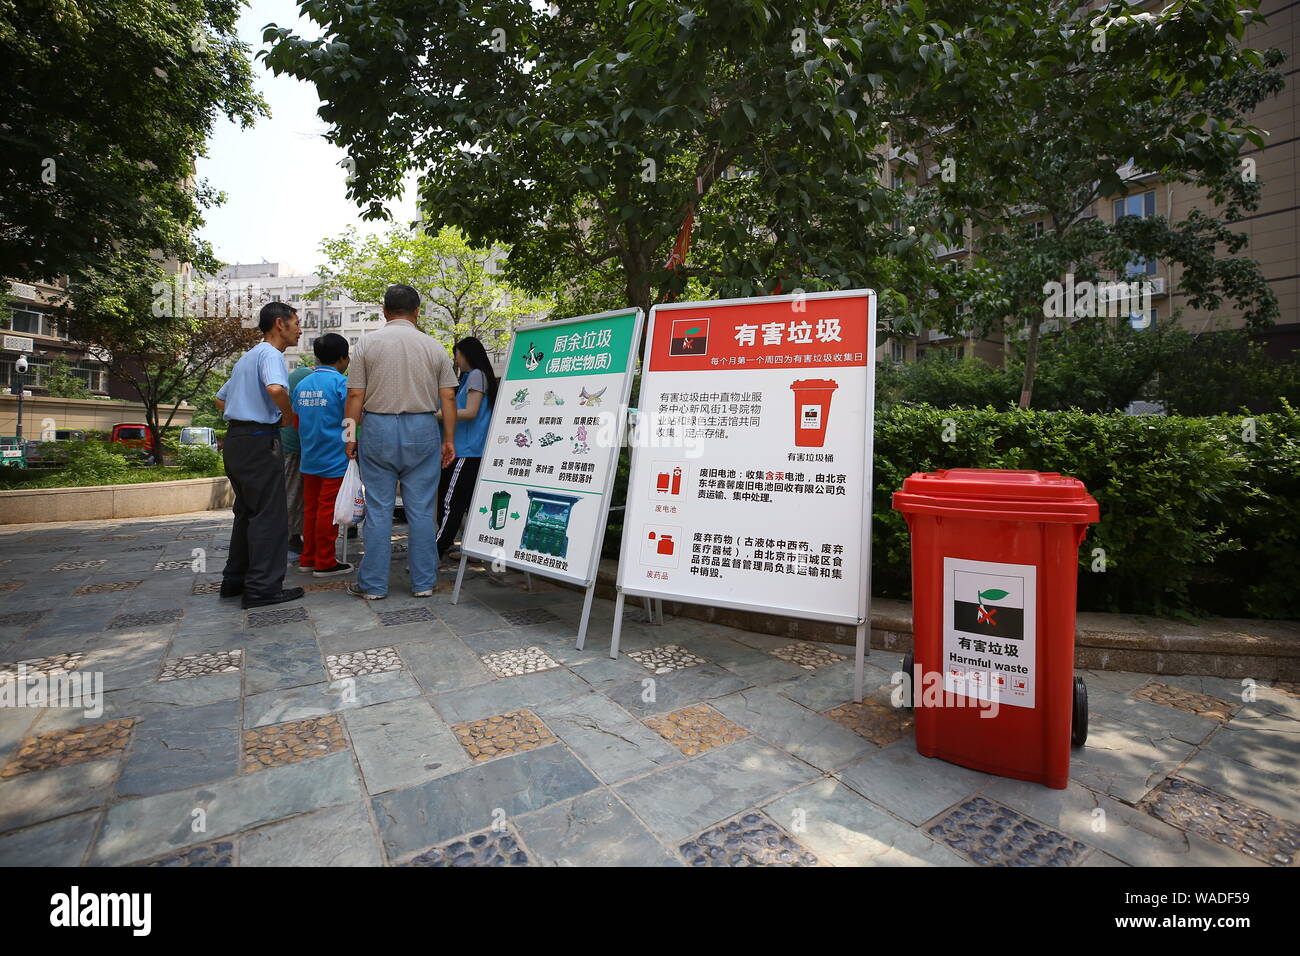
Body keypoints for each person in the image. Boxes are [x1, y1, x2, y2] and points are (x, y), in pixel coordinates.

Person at [343, 284, 459, 599]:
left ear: (384, 310)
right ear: (417, 311)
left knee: (379, 508)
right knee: (422, 509)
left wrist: (349, 436)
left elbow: (355, 394)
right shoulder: (433, 346)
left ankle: (374, 586)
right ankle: (424, 582)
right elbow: (447, 396)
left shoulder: (366, 343)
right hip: (423, 428)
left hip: (377, 428)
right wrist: (448, 439)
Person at [214, 301, 304, 609]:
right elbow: (276, 389)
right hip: (259, 441)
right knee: (269, 517)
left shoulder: (246, 359)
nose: (300, 329)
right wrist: (287, 415)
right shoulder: (270, 354)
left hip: (237, 441)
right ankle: (263, 588)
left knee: (247, 514)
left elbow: (219, 400)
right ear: (280, 324)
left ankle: (234, 581)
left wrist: (246, 413)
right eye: (296, 323)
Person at [292, 332, 353, 578]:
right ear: (342, 358)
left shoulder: (302, 384)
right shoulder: (341, 384)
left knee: (311, 510)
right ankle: (325, 561)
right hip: (335, 459)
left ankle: (308, 557)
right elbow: (351, 420)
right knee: (328, 511)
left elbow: (296, 422)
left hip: (309, 458)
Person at [435, 336, 497, 561]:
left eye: (457, 355)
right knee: (468, 503)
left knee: (450, 503)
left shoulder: (477, 376)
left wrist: (438, 415)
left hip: (467, 450)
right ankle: (474, 549)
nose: (456, 360)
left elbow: (470, 412)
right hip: (465, 450)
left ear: (467, 354)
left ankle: (434, 553)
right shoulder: (469, 378)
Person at [281, 358, 317, 554]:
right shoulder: (310, 378)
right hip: (298, 445)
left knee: (292, 490)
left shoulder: (296, 376)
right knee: (294, 491)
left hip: (290, 441)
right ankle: (289, 536)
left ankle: (294, 534)